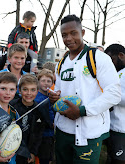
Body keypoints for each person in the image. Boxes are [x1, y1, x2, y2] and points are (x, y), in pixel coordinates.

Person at [48, 15, 121, 164]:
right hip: (63, 132)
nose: (68, 38)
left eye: (73, 33)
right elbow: (60, 92)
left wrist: (82, 111)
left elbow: (114, 94)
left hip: (89, 133)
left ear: (83, 32)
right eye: (64, 35)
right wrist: (54, 98)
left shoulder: (98, 58)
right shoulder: (61, 63)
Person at [10, 74, 44, 164]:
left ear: (37, 91)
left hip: (27, 151)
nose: (29, 93)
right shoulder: (12, 106)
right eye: (25, 89)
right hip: (11, 149)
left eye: (33, 90)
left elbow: (38, 133)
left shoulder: (39, 110)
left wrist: (33, 152)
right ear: (19, 91)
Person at [104, 44, 125, 164]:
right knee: (111, 157)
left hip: (121, 129)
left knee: (119, 160)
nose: (110, 64)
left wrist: (110, 96)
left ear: (121, 56)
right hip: (112, 126)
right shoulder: (118, 72)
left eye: (111, 59)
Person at [34, 69, 55, 164]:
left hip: (50, 135)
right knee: (43, 159)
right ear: (38, 82)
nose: (46, 83)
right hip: (43, 135)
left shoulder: (51, 96)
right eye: (43, 81)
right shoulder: (37, 99)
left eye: (49, 81)